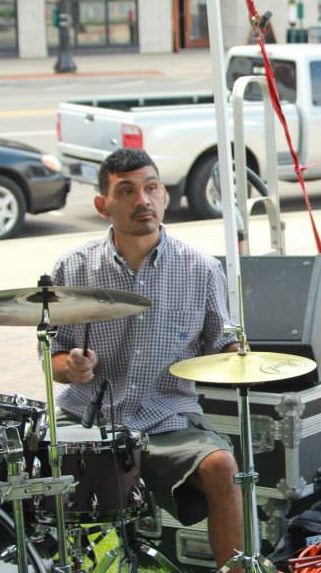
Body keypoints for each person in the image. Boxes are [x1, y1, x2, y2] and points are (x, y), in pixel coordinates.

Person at [49, 148, 243, 566]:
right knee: (36, 468)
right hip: (89, 415)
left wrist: (237, 355)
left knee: (222, 467)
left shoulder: (201, 269)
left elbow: (222, 344)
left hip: (168, 416)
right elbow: (54, 359)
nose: (144, 201)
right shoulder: (73, 269)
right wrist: (71, 366)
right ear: (103, 204)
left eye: (152, 188)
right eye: (128, 191)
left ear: (165, 195)